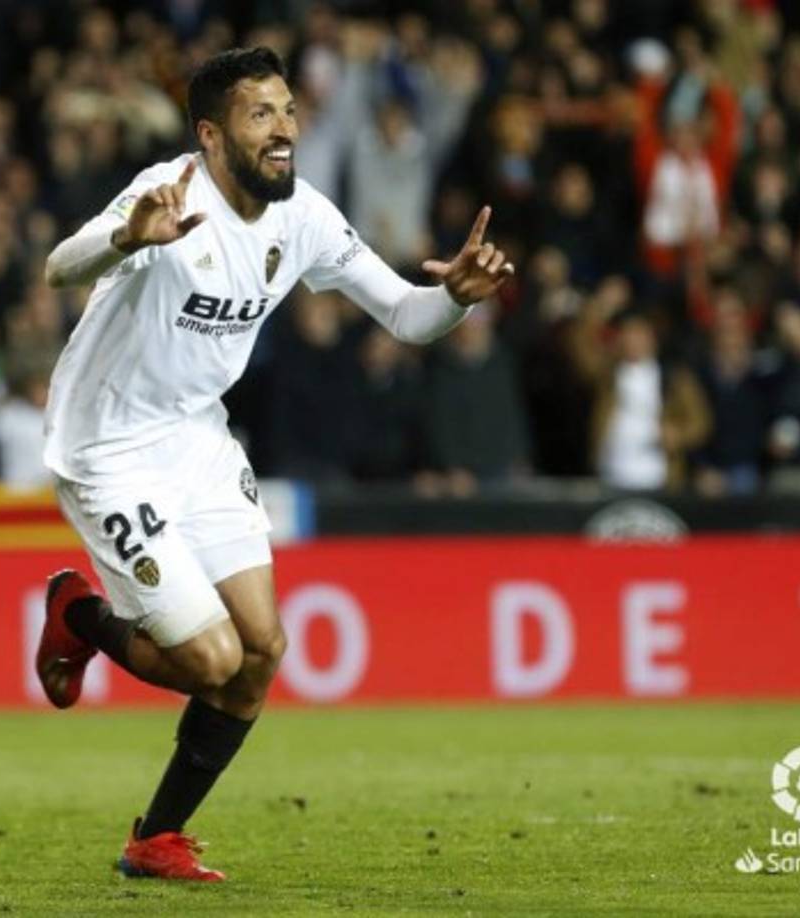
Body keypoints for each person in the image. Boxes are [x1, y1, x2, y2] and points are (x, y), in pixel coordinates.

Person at [35, 47, 512, 883]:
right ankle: (78, 615)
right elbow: (59, 264)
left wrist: (455, 301)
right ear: (211, 136)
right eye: (261, 114)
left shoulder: (304, 218)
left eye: (288, 109)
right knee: (209, 661)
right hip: (107, 446)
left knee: (261, 650)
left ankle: (155, 838)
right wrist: (123, 236)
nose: (284, 128)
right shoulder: (169, 193)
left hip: (197, 438)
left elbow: (404, 314)